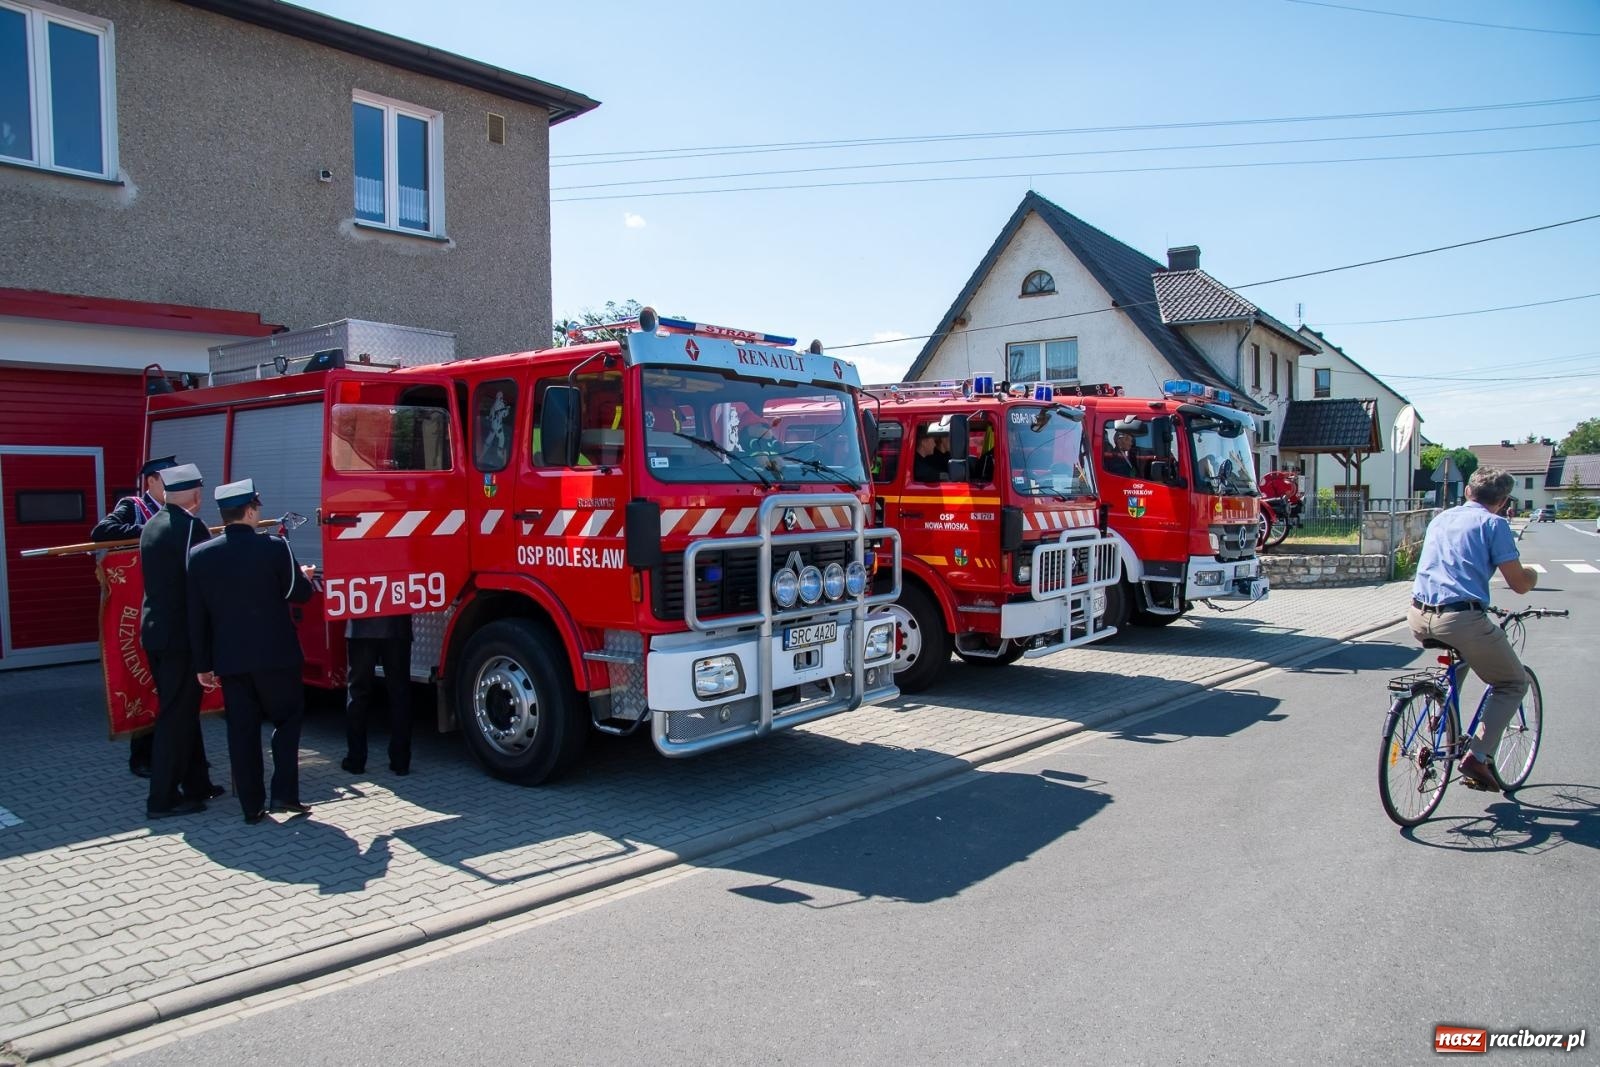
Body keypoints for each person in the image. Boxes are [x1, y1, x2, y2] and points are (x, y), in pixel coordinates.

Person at [187, 479, 317, 824]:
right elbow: (298, 593)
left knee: (242, 732)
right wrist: (304, 575)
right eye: (257, 508)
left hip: (230, 660)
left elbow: (196, 616)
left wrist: (202, 664)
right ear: (249, 510)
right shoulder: (274, 548)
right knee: (287, 721)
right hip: (276, 656)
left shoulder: (199, 556)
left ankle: (251, 806)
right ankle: (285, 795)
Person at [1408, 467, 1538, 792]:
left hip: (1417, 615)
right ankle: (1477, 756)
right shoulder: (1495, 524)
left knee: (1463, 654)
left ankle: (1442, 715)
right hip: (1461, 619)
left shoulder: (1441, 519)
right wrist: (1532, 575)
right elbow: (1518, 583)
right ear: (1504, 500)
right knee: (1512, 682)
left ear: (1467, 491)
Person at [138, 463, 221, 818]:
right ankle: (162, 798)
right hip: (180, 637)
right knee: (175, 715)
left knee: (184, 711)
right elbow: (204, 582)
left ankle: (197, 783)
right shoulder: (190, 528)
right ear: (196, 494)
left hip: (156, 631)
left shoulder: (151, 524)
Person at [94, 455, 178, 778]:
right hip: (138, 606)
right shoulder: (132, 506)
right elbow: (102, 531)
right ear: (152, 481)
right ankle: (141, 757)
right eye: (167, 480)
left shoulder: (176, 509)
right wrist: (149, 530)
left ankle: (174, 753)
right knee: (142, 683)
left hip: (166, 601)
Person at [342, 613, 414, 777]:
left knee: (358, 693)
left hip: (361, 626)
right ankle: (401, 761)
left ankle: (356, 759)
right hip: (397, 626)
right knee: (400, 693)